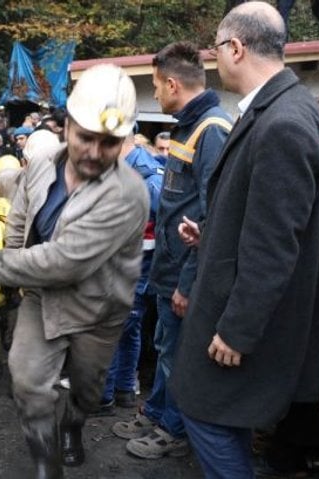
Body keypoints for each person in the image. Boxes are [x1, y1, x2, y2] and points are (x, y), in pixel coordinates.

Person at [169, 3, 319, 477]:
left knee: (203, 413)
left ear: (235, 48)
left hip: (245, 323)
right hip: (241, 306)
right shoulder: (282, 107)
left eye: (217, 49)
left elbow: (277, 246)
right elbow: (264, 215)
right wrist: (211, 233)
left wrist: (238, 330)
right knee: (224, 418)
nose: (215, 60)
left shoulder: (282, 123)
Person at [0, 64, 149, 478]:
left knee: (87, 390)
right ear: (67, 126)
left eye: (110, 143)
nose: (95, 152)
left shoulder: (128, 194)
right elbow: (19, 217)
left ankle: (74, 424)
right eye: (86, 137)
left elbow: (64, 263)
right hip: (40, 297)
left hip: (96, 310)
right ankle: (46, 464)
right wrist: (10, 269)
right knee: (29, 383)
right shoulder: (43, 161)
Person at [112, 41, 232, 460]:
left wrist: (187, 283)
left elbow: (212, 217)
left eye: (157, 87)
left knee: (179, 356)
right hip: (167, 271)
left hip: (184, 276)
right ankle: (160, 412)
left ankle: (175, 431)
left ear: (173, 83)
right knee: (166, 348)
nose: (156, 95)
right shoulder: (186, 128)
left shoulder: (212, 131)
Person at [97, 132, 163, 417]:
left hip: (134, 265)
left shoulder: (144, 177)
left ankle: (101, 397)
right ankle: (123, 390)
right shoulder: (137, 169)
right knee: (129, 328)